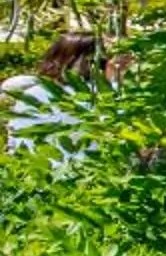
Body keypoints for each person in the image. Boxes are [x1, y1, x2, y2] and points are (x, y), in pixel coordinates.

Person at [3, 32, 103, 161]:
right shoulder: (39, 94)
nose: (96, 63)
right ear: (67, 58)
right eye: (90, 57)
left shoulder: (97, 91)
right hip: (58, 169)